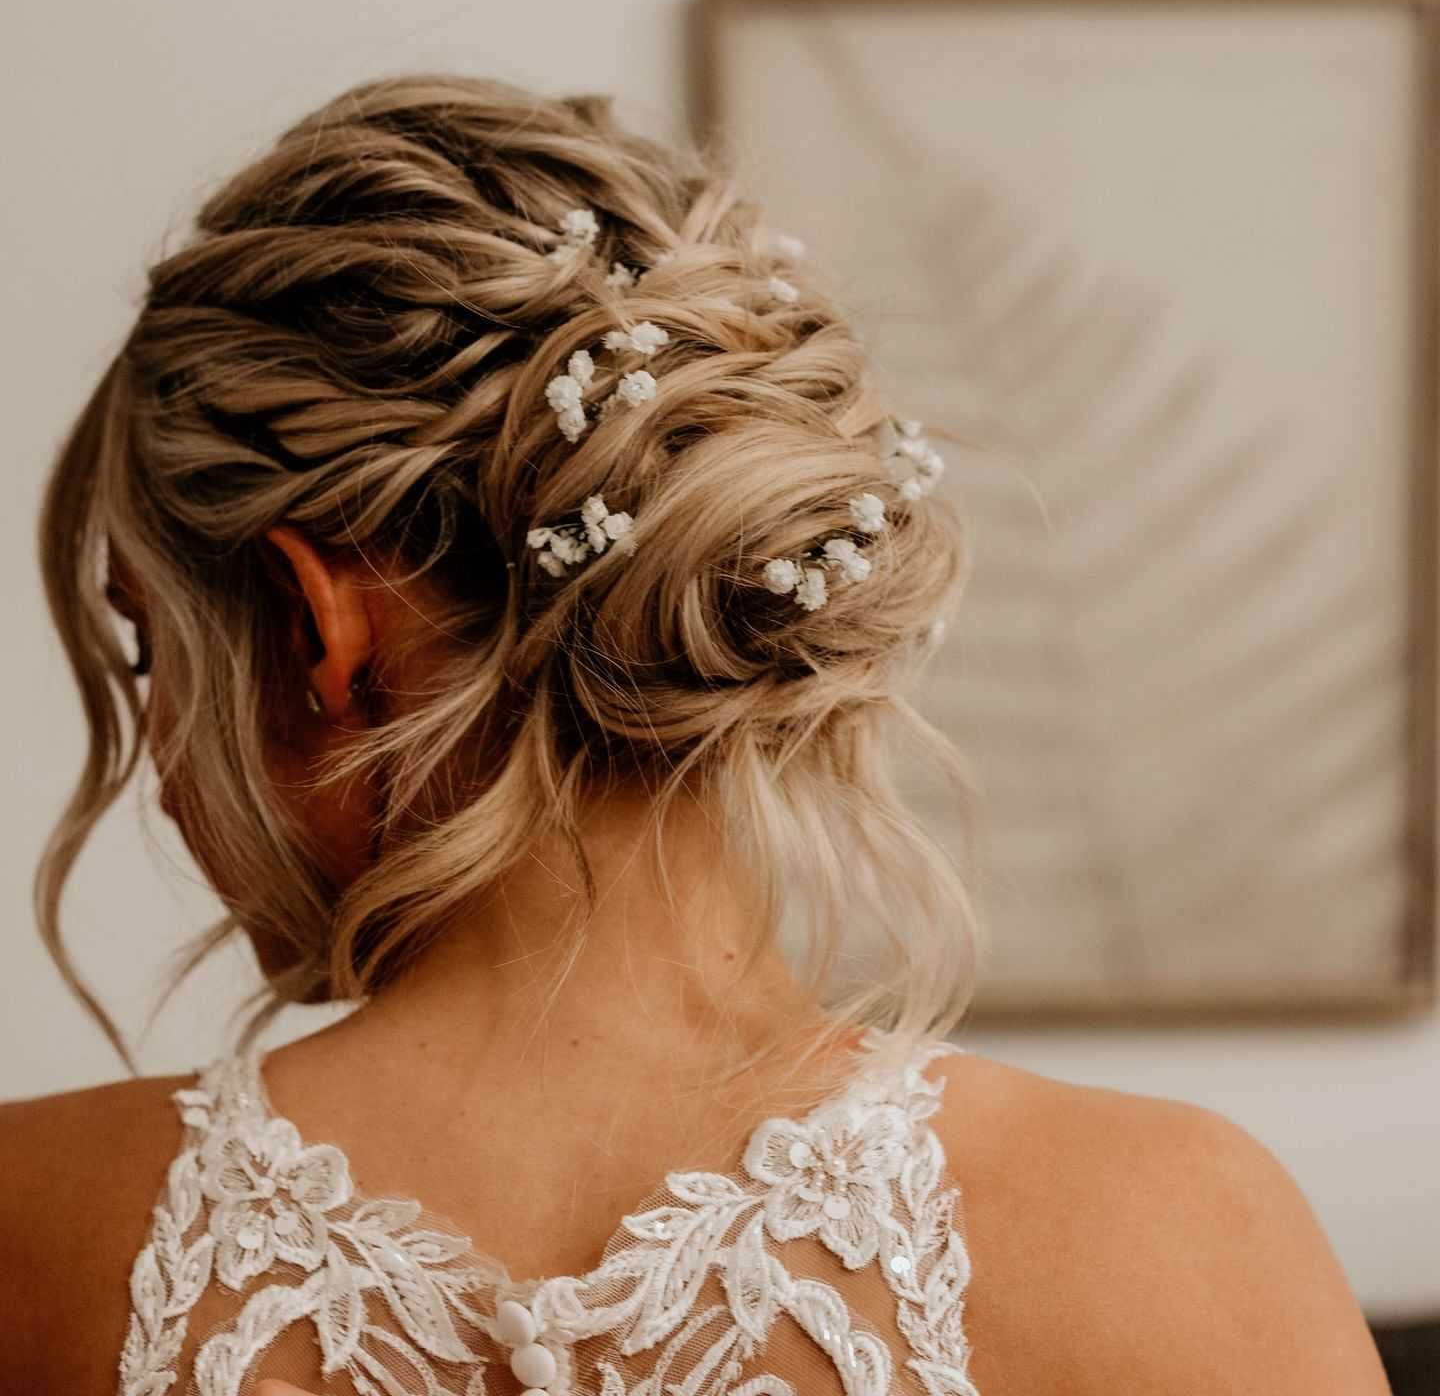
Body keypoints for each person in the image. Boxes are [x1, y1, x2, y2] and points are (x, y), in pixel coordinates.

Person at [0, 73, 1388, 1396]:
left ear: (320, 630)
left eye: (147, 651)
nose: (164, 776)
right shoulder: (1176, 1237)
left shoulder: (39, 1237)